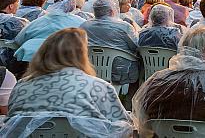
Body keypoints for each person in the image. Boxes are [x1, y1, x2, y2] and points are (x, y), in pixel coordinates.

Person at [4, 28, 132, 137]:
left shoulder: (22, 85)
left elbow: (12, 124)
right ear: (82, 55)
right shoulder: (98, 86)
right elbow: (122, 126)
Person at [13, 0, 85, 62]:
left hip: (33, 60)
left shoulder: (39, 21)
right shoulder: (81, 22)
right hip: (69, 60)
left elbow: (19, 39)